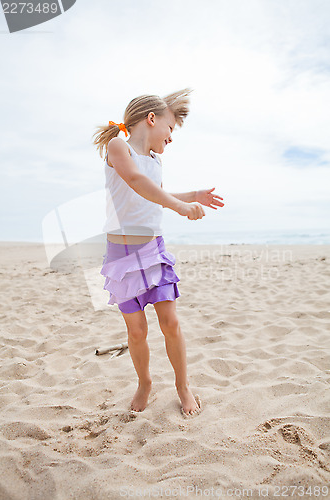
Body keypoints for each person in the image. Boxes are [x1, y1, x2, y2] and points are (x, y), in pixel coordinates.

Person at [92, 88, 224, 417]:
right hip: (121, 257)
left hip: (153, 250)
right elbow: (135, 181)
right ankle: (145, 382)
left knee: (171, 323)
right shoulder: (118, 146)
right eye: (170, 129)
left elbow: (155, 193)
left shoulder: (156, 161)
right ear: (151, 119)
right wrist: (180, 206)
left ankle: (183, 386)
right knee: (136, 330)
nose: (171, 137)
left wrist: (192, 194)